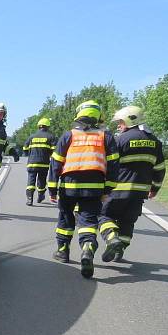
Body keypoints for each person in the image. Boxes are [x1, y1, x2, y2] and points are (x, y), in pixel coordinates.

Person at [47, 100, 119, 278]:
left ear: (79, 115)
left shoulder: (68, 135)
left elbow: (56, 163)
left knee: (65, 218)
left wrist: (52, 188)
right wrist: (107, 189)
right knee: (88, 220)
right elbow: (114, 165)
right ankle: (87, 248)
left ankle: (63, 251)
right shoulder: (106, 136)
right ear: (98, 116)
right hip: (94, 187)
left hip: (68, 186)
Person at [98, 106, 165, 262]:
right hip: (139, 193)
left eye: (120, 122)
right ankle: (120, 247)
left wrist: (102, 186)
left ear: (129, 120)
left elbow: (109, 164)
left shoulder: (120, 140)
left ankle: (112, 238)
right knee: (127, 221)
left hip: (117, 190)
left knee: (103, 215)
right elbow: (160, 168)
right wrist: (155, 188)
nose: (119, 125)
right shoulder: (155, 141)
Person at [23, 117, 57, 205]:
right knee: (42, 181)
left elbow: (25, 148)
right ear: (48, 127)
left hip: (31, 163)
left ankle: (29, 199)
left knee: (31, 181)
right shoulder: (51, 136)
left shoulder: (32, 136)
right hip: (44, 164)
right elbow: (54, 151)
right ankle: (40, 196)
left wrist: (30, 154)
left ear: (39, 126)